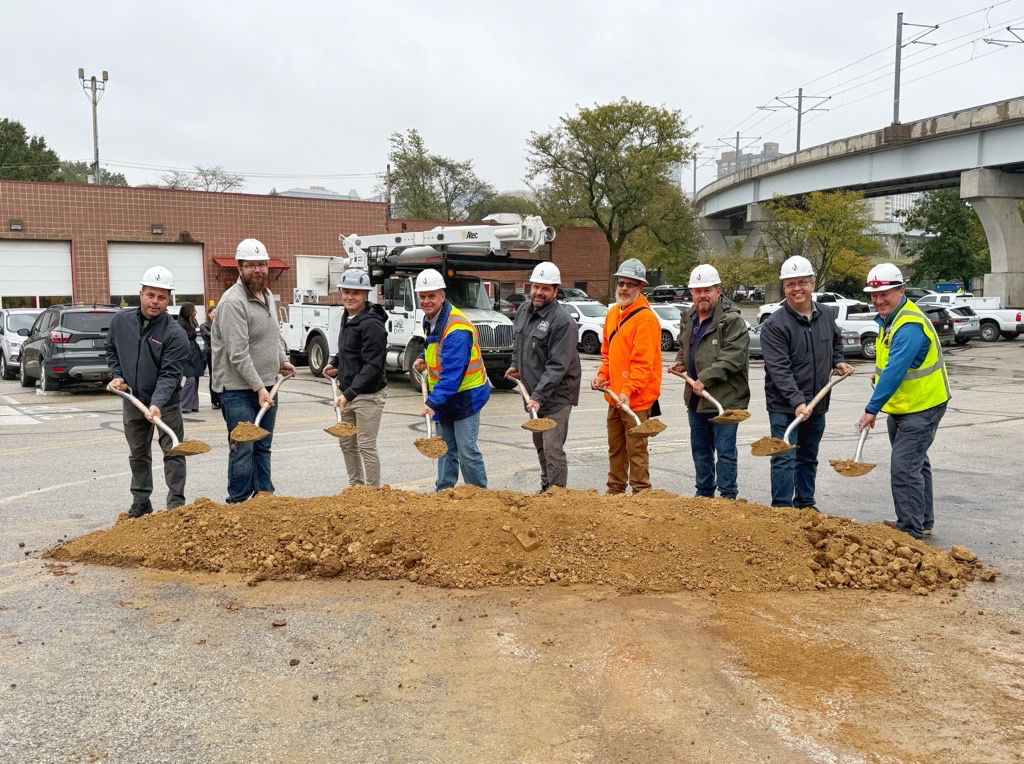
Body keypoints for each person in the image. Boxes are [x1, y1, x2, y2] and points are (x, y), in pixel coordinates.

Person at [857, 263, 950, 540]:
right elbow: (885, 371)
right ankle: (921, 519)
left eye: (885, 293)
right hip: (903, 406)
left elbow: (895, 371)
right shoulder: (889, 321)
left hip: (922, 406)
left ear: (901, 290)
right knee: (916, 464)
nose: (878, 300)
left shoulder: (909, 325)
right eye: (873, 296)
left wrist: (871, 409)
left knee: (904, 467)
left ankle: (910, 532)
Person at [761, 256, 854, 509]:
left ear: (812, 284)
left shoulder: (826, 314)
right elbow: (779, 370)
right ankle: (782, 509)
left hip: (818, 402)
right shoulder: (775, 324)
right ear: (784, 288)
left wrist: (838, 360)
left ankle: (805, 504)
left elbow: (835, 340)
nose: (796, 288)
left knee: (808, 456)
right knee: (784, 456)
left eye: (802, 282)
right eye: (790, 284)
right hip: (784, 406)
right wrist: (797, 402)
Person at [211, 238, 295, 504]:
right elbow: (237, 352)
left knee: (263, 445)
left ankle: (264, 498)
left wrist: (282, 359)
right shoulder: (232, 302)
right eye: (251, 266)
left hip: (268, 384)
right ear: (239, 267)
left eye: (262, 264)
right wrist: (260, 388)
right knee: (242, 447)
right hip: (238, 390)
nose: (258, 270)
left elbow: (271, 334)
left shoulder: (267, 295)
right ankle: (237, 503)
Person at [104, 266, 190, 518]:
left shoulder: (175, 334)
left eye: (161, 297)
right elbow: (111, 350)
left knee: (174, 452)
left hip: (167, 405)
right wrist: (117, 375)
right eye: (150, 295)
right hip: (133, 399)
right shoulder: (121, 322)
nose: (155, 302)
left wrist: (157, 404)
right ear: (140, 293)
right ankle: (141, 501)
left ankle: (175, 504)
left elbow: (170, 374)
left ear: (169, 299)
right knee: (138, 453)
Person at [668, 263, 749, 500]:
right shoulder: (689, 317)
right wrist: (680, 362)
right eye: (697, 290)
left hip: (725, 399)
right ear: (691, 293)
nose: (702, 295)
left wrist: (705, 378)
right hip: (696, 399)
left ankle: (727, 497)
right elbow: (685, 347)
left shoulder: (732, 321)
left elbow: (732, 358)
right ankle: (703, 495)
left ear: (718, 291)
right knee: (701, 451)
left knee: (725, 451)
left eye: (707, 290)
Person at [505, 262, 581, 492]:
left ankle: (557, 497)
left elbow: (557, 366)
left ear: (555, 291)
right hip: (534, 393)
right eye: (536, 286)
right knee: (539, 443)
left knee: (552, 447)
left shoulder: (562, 322)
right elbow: (520, 341)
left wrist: (538, 396)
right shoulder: (524, 310)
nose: (539, 292)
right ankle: (546, 489)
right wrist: (515, 364)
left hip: (557, 395)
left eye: (545, 288)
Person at [411, 268, 490, 490]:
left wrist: (431, 403)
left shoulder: (457, 328)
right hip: (446, 397)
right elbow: (435, 345)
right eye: (423, 296)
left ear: (442, 296)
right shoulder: (432, 318)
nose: (426, 301)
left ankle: (479, 495)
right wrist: (423, 358)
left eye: (431, 296)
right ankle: (444, 492)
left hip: (466, 396)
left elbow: (453, 374)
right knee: (444, 449)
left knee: (467, 451)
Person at [591, 258, 662, 494]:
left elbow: (643, 363)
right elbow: (608, 354)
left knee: (637, 449)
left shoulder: (646, 319)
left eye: (630, 284)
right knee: (616, 447)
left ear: (640, 287)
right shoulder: (612, 314)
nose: (624, 288)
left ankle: (641, 494)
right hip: (615, 397)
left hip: (636, 400)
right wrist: (602, 376)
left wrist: (627, 390)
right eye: (621, 283)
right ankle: (615, 490)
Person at [322, 269, 388, 487]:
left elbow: (373, 366)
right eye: (346, 292)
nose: (350, 297)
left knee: (366, 444)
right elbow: (350, 350)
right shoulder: (348, 316)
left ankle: (373, 493)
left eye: (356, 293)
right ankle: (356, 488)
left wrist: (348, 395)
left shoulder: (372, 324)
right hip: (348, 393)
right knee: (347, 443)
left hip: (368, 395)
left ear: (365, 295)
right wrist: (335, 362)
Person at [176, 302, 201, 413]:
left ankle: (193, 405)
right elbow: (183, 337)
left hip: (195, 352)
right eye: (194, 310)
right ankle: (184, 404)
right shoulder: (181, 323)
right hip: (187, 352)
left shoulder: (193, 321)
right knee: (190, 378)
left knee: (195, 378)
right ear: (188, 311)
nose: (195, 312)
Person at [199, 306, 220, 409]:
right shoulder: (204, 326)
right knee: (213, 376)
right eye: (213, 313)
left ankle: (221, 399)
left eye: (217, 313)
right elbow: (211, 335)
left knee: (222, 376)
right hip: (211, 353)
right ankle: (214, 400)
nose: (215, 315)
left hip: (220, 353)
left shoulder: (221, 324)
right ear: (209, 314)